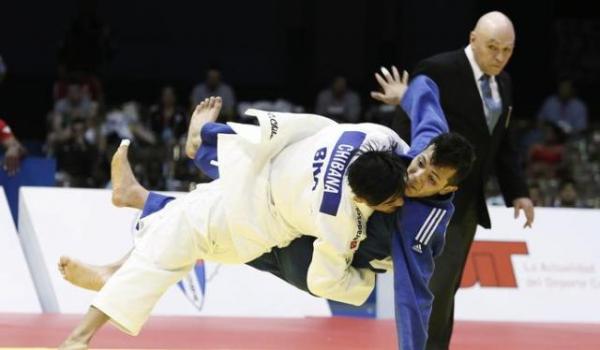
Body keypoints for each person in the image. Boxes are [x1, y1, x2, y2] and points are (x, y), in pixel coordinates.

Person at [59, 69, 475, 350]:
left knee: (188, 222)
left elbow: (411, 295)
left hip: (269, 203)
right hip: (267, 204)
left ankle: (165, 180)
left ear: (450, 187)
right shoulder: (363, 189)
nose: (416, 178)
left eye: (432, 180)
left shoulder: (378, 143)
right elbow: (326, 278)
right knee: (186, 226)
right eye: (420, 165)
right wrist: (361, 282)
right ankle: (124, 240)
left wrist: (363, 283)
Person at [377, 11, 535, 349]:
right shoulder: (438, 70)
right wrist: (395, 186)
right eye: (493, 47)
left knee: (445, 291)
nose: (500, 57)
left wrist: (518, 192)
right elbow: (408, 128)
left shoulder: (503, 83)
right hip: (427, 203)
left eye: (508, 50)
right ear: (473, 38)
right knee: (428, 292)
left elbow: (502, 143)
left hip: (465, 209)